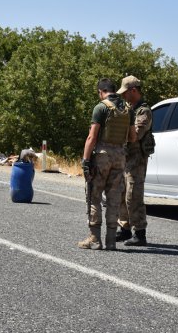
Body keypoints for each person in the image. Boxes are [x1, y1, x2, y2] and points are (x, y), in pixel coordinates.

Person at [78, 78, 136, 251]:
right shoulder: (127, 109)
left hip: (102, 156)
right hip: (120, 157)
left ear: (100, 91)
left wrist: (86, 161)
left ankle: (94, 239)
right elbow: (133, 137)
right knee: (114, 199)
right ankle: (111, 241)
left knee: (94, 196)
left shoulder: (101, 107)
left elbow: (92, 137)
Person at [115, 75, 153, 246]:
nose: (123, 96)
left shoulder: (143, 111)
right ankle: (124, 229)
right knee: (122, 193)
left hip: (137, 159)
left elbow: (135, 135)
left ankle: (139, 233)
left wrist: (120, 130)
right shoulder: (128, 108)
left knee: (133, 196)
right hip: (125, 157)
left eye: (126, 92)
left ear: (134, 91)